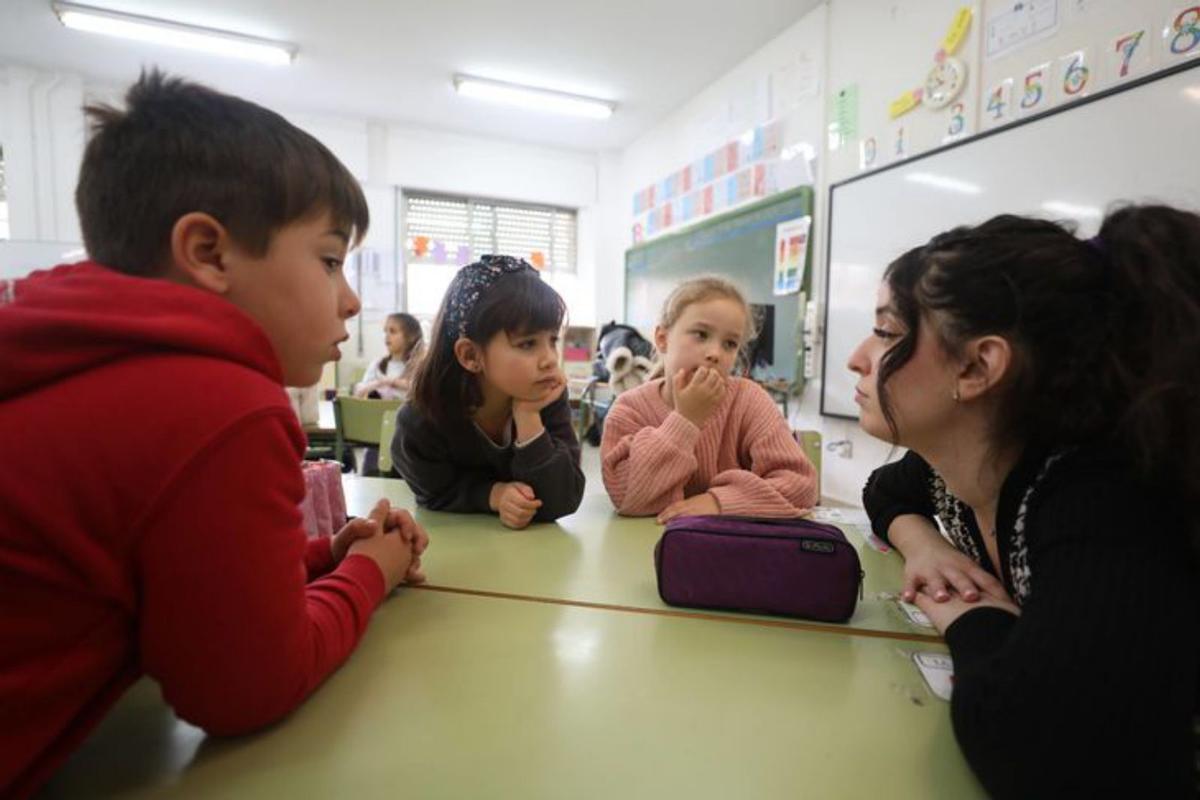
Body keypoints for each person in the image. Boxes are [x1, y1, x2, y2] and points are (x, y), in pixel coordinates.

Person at [0, 70, 428, 798]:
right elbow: (247, 689)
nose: (352, 300)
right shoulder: (222, 404)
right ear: (207, 251)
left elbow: (160, 568)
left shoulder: (66, 346)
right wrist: (372, 572)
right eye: (329, 259)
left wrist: (322, 554)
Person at [852, 206, 1199, 798]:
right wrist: (924, 546)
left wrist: (969, 614)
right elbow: (885, 492)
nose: (859, 356)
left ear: (978, 366)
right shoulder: (963, 464)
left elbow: (1038, 748)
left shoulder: (1099, 497)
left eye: (886, 333)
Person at [601, 276, 817, 522]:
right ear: (662, 338)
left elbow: (801, 486)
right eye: (701, 335)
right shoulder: (629, 409)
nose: (715, 353)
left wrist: (718, 501)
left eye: (729, 344)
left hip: (730, 547)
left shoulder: (749, 399)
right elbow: (628, 496)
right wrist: (686, 419)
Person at [392, 255, 585, 529]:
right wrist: (492, 495)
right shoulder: (422, 420)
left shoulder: (545, 397)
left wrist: (528, 418)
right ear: (470, 355)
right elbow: (432, 491)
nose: (550, 359)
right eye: (528, 344)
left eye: (552, 340)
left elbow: (563, 499)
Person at [353, 312, 424, 399]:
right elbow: (360, 392)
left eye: (392, 331)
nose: (387, 336)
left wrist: (388, 382)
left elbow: (421, 389)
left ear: (410, 337)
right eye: (385, 331)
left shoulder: (420, 366)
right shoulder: (376, 365)